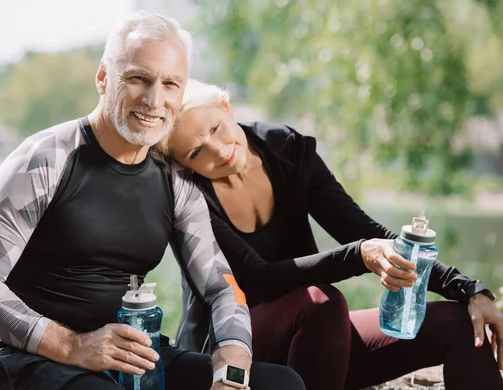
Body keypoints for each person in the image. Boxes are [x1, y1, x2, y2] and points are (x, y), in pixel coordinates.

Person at [0, 13, 306, 390]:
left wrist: (230, 369)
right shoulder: (46, 158)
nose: (154, 100)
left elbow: (221, 287)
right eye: (138, 79)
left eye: (170, 84)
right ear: (104, 78)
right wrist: (73, 346)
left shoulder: (174, 181)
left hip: (128, 353)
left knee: (282, 383)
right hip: (27, 358)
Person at [157, 78, 503, 390]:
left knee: (460, 324)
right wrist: (359, 255)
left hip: (315, 346)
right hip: (230, 357)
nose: (218, 150)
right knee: (321, 302)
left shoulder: (285, 149)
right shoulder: (189, 195)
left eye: (216, 128)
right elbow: (255, 279)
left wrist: (468, 288)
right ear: (184, 163)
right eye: (196, 152)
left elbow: (364, 230)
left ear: (227, 107)